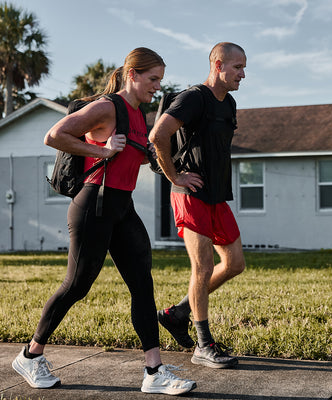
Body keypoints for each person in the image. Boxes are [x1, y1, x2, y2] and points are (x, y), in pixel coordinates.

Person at [12, 47, 196, 396]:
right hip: (93, 205)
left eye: (160, 79)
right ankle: (30, 355)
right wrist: (102, 150)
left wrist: (172, 172)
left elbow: (135, 157)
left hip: (122, 206)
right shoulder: (107, 107)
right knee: (77, 286)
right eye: (152, 78)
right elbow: (54, 135)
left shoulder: (139, 115)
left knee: (142, 283)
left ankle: (153, 371)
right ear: (133, 74)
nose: (157, 86)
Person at [149, 42, 247, 369]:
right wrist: (175, 177)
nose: (243, 74)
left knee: (234, 263)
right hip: (190, 196)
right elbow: (158, 135)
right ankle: (204, 345)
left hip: (217, 195)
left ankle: (178, 313)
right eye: (237, 67)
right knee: (202, 268)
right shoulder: (193, 98)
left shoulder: (229, 103)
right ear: (218, 65)